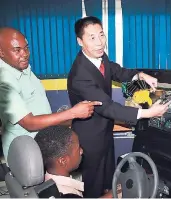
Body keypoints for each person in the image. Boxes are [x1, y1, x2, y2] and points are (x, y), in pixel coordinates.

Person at [67, 16, 170, 198]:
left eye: (101, 35)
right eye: (92, 38)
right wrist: (148, 113)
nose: (100, 43)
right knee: (93, 184)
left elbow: (117, 71)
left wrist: (140, 75)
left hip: (105, 131)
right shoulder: (80, 75)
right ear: (79, 41)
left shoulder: (99, 57)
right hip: (90, 137)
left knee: (108, 180)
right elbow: (107, 107)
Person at [0, 27, 102, 161]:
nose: (25, 54)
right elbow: (29, 123)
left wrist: (68, 117)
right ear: (1, 52)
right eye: (17, 50)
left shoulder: (22, 68)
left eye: (26, 48)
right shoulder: (4, 81)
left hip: (41, 144)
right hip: (25, 155)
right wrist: (73, 113)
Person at [34, 125, 121, 198]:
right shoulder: (66, 194)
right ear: (63, 161)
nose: (81, 151)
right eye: (78, 148)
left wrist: (112, 194)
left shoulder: (44, 184)